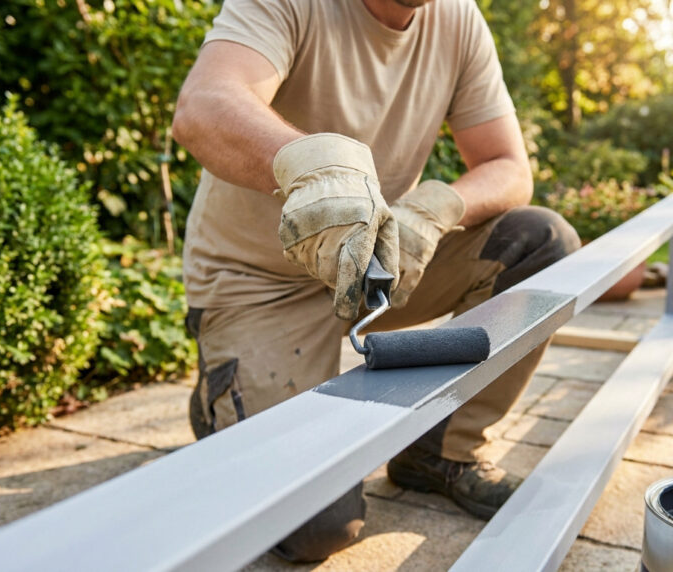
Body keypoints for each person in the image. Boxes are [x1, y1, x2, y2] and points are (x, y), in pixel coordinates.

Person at [172, 0, 580, 562]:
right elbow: (203, 107)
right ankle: (221, 397)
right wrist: (306, 163)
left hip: (375, 261)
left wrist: (437, 207)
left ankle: (440, 451)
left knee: (541, 242)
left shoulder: (458, 21)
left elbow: (510, 165)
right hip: (259, 283)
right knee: (319, 530)